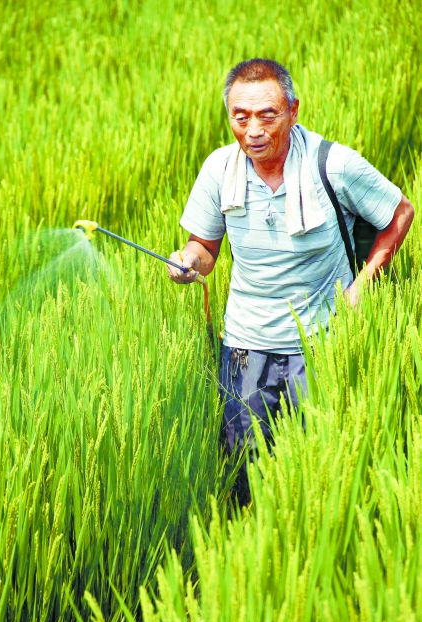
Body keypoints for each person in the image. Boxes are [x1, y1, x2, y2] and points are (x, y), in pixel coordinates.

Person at [167, 59, 414, 503]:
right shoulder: (220, 169)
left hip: (322, 346)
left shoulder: (333, 164)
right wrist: (187, 263)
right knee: (244, 477)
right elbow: (203, 247)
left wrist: (363, 283)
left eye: (268, 115)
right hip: (245, 349)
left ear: (293, 110)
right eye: (240, 117)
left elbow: (401, 212)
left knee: (318, 475)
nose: (253, 130)